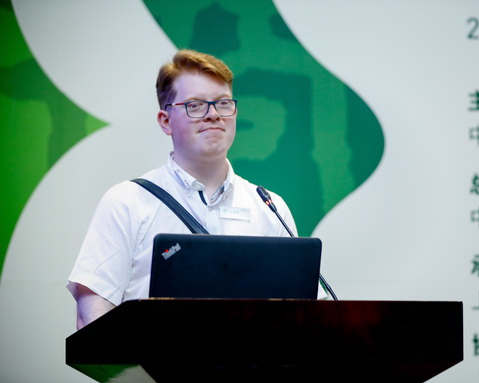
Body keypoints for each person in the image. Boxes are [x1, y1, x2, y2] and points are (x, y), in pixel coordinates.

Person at [67, 49, 315, 332]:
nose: (213, 115)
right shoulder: (127, 202)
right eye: (195, 105)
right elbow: (91, 317)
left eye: (223, 103)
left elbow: (304, 313)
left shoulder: (268, 206)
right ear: (165, 121)